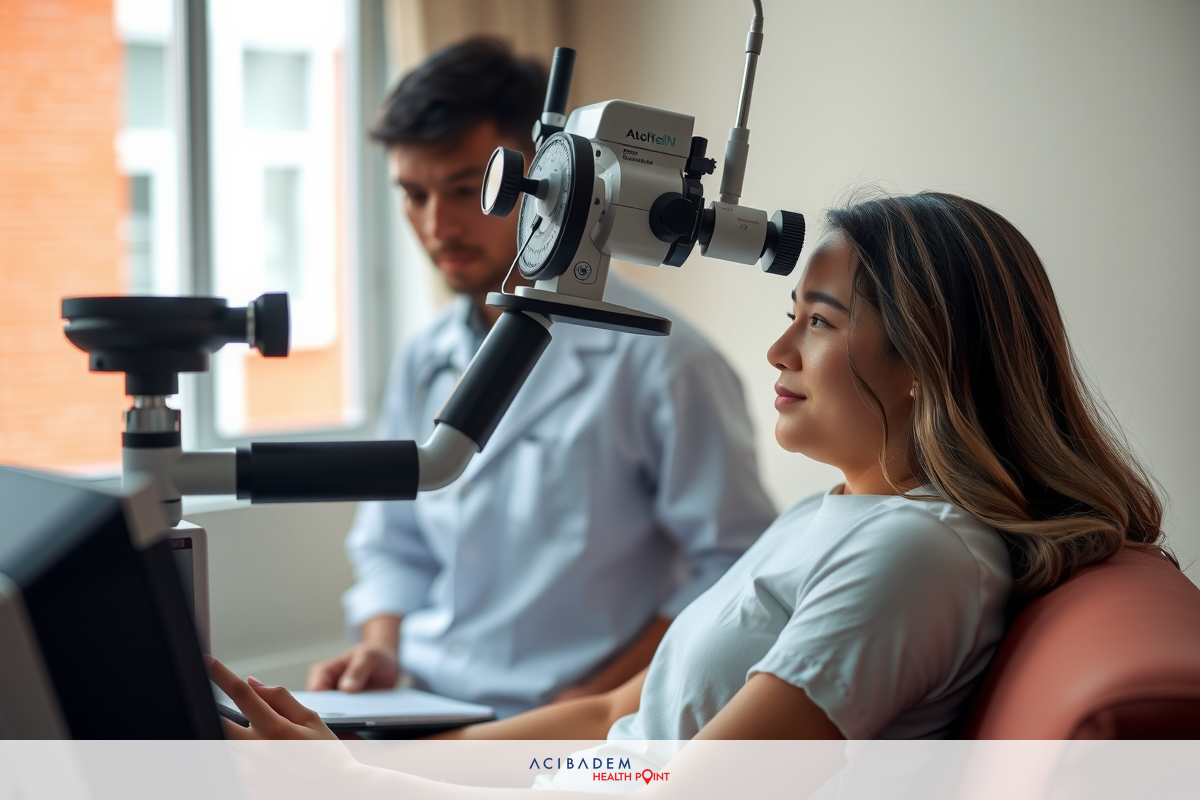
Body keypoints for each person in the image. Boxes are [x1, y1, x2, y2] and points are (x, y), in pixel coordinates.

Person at [214, 192, 1170, 749]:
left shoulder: (915, 558)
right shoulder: (831, 517)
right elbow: (616, 711)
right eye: (792, 312)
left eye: (822, 321)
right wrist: (377, 763)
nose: (779, 350)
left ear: (926, 361)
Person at [304, 37, 777, 718]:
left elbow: (730, 572)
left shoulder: (667, 364)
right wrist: (383, 648)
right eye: (413, 195)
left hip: (573, 720)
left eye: (468, 189)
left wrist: (594, 698)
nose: (438, 225)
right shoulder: (425, 354)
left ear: (548, 171)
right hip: (426, 703)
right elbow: (391, 543)